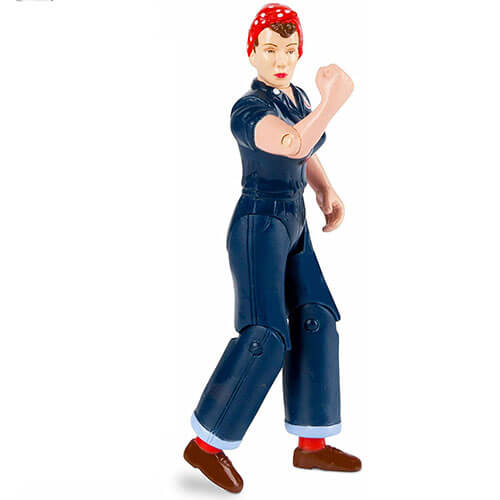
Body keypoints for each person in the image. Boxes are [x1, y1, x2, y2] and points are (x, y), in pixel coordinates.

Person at [183, 3, 361, 493]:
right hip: (259, 224)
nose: (281, 59)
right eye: (270, 49)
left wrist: (324, 188)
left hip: (294, 219)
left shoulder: (295, 97)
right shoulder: (248, 110)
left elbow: (307, 148)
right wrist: (333, 101)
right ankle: (206, 445)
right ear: (252, 54)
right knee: (266, 334)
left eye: (290, 49)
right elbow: (290, 143)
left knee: (316, 318)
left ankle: (312, 444)